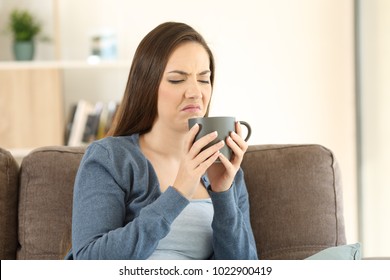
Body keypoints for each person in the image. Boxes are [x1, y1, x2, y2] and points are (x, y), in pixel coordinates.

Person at [65, 22, 258, 260]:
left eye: (204, 79)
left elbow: (245, 268)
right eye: (178, 80)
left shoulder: (227, 171)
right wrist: (179, 192)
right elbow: (89, 261)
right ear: (147, 85)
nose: (195, 92)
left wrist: (223, 193)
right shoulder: (110, 158)